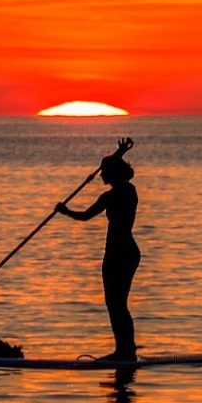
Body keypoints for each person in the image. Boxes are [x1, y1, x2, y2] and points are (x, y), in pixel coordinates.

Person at [56, 138, 140, 361]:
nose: (100, 175)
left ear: (112, 174)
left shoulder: (112, 196)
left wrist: (64, 211)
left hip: (119, 254)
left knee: (116, 304)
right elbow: (112, 166)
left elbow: (84, 216)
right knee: (117, 303)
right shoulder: (129, 190)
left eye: (104, 172)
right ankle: (126, 349)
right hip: (126, 252)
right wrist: (119, 152)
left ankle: (125, 351)